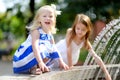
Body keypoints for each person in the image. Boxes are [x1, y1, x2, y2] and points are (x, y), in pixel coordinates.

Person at [13, 4, 69, 75]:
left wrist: (61, 61)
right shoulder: (36, 31)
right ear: (39, 19)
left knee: (51, 49)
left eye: (50, 16)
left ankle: (40, 67)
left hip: (36, 55)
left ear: (54, 19)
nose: (47, 18)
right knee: (42, 47)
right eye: (44, 16)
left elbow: (54, 48)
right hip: (25, 56)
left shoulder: (49, 34)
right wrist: (40, 61)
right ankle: (33, 68)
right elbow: (35, 47)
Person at [56, 14, 111, 80]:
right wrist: (70, 66)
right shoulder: (70, 32)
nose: (80, 31)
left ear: (87, 30)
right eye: (78, 28)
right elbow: (68, 49)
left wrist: (106, 73)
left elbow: (95, 56)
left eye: (83, 30)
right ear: (75, 26)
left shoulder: (85, 41)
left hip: (71, 57)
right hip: (62, 52)